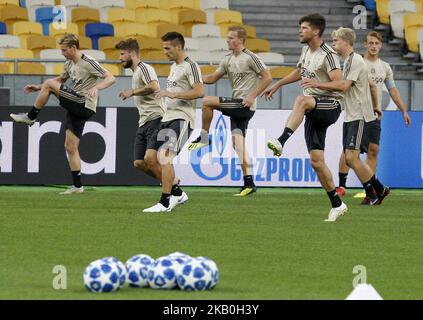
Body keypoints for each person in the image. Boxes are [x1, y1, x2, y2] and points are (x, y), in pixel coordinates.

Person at [263, 14, 347, 222]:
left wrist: (317, 84)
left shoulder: (329, 55)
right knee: (317, 161)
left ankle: (281, 141)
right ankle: (337, 204)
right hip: (314, 107)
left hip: (331, 105)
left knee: (302, 100)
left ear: (316, 31)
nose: (300, 31)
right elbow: (300, 72)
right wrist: (277, 84)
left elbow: (340, 83)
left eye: (304, 28)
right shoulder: (306, 51)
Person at [10, 34, 116, 194]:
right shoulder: (69, 63)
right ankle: (78, 186)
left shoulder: (88, 61)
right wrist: (39, 87)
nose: (62, 53)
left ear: (73, 48)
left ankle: (30, 117)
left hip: (84, 103)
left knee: (50, 84)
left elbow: (111, 77)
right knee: (70, 146)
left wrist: (97, 87)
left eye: (64, 50)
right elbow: (61, 79)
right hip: (76, 105)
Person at [301, 27, 390, 207]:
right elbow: (370, 85)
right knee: (350, 157)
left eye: (336, 41)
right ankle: (378, 189)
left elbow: (342, 86)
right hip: (352, 114)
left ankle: (374, 191)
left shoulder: (355, 60)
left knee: (351, 158)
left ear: (346, 42)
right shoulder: (350, 60)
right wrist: (376, 106)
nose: (333, 45)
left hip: (358, 114)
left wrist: (317, 84)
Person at [187, 26, 272, 196]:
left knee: (207, 102)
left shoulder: (250, 58)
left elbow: (268, 77)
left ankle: (204, 137)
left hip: (244, 104)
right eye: (227, 37)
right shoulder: (227, 59)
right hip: (237, 106)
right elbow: (212, 79)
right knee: (237, 144)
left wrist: (252, 96)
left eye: (231, 38)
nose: (227, 40)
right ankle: (249, 183)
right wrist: (195, 77)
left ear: (240, 40)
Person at [336, 31, 411, 197]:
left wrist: (403, 110)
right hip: (358, 112)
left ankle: (368, 190)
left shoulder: (384, 67)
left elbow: (392, 89)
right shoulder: (357, 62)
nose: (374, 46)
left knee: (373, 150)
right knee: (349, 150)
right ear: (365, 45)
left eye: (376, 43)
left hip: (374, 115)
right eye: (371, 43)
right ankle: (342, 185)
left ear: (381, 45)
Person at [143, 32, 205, 213]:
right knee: (149, 158)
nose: (164, 52)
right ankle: (177, 192)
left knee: (165, 157)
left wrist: (173, 94)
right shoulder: (174, 67)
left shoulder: (191, 66)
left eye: (167, 48)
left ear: (178, 47)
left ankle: (165, 202)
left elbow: (200, 91)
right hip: (167, 118)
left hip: (182, 118)